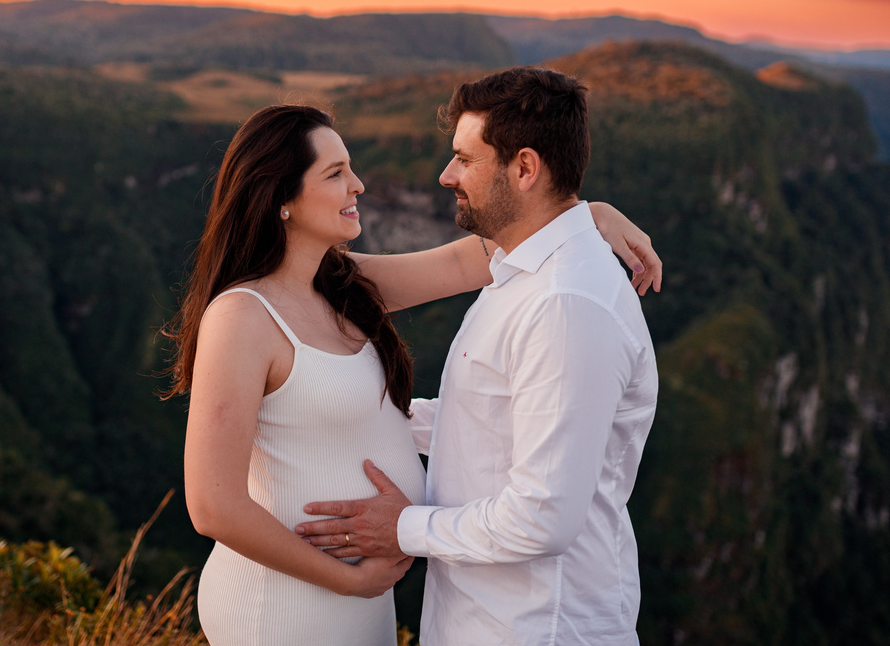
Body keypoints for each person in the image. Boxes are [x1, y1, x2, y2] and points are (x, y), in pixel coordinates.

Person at [166, 103, 660, 646]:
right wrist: (350, 579)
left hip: (363, 601)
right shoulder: (242, 316)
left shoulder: (340, 287)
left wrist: (586, 216)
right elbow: (213, 505)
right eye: (335, 174)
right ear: (280, 197)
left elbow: (468, 261)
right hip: (285, 604)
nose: (357, 185)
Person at [297, 68, 659, 645]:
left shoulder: (565, 306)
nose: (446, 176)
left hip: (537, 628)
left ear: (524, 168)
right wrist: (355, 411)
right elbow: (489, 422)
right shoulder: (524, 269)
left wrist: (403, 530)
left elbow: (543, 517)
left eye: (465, 159)